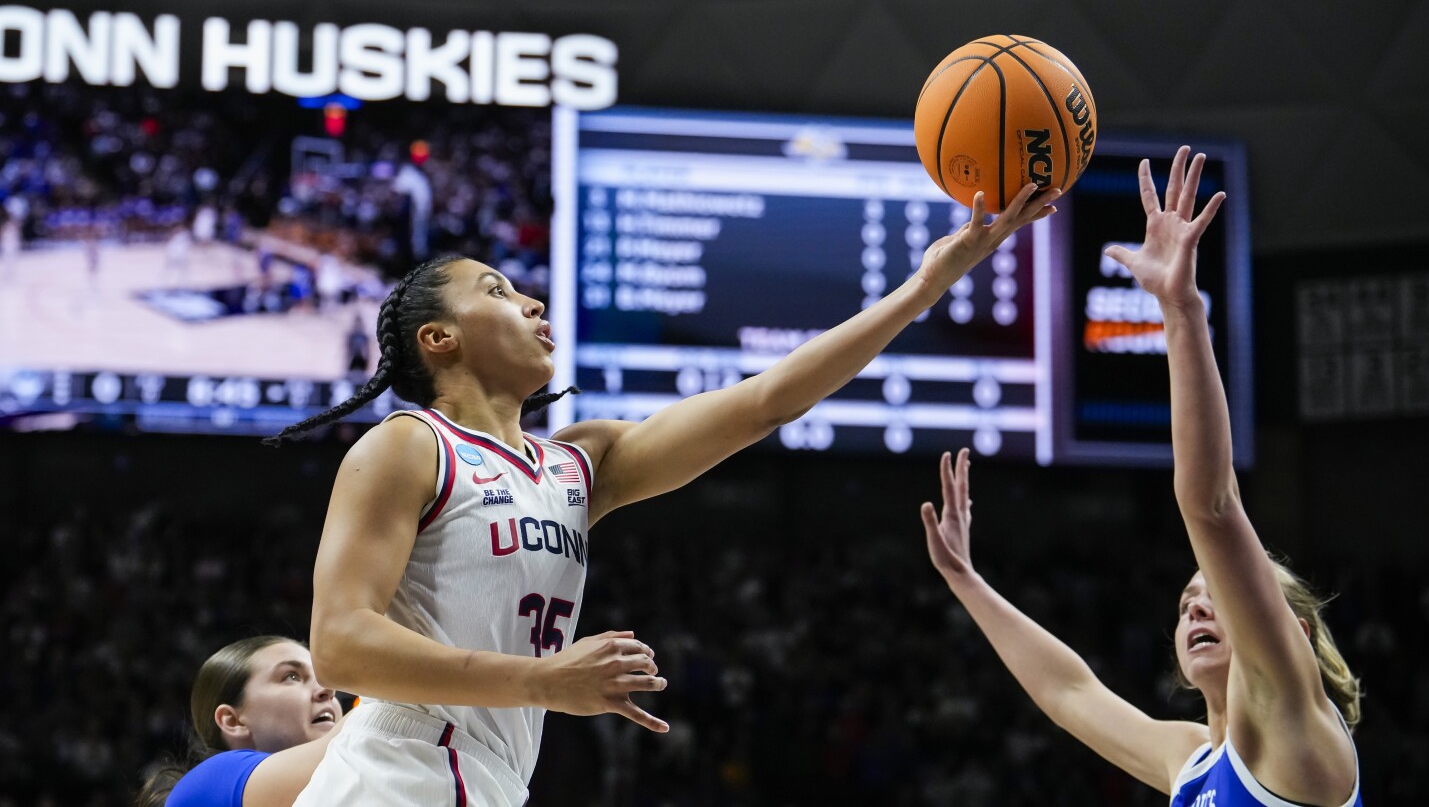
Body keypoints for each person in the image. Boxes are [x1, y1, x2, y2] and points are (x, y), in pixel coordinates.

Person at [262, 183, 1062, 805]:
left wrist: (924, 287)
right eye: (499, 291)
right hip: (400, 768)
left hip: (488, 776)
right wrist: (544, 682)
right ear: (438, 340)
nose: (533, 301)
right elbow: (339, 645)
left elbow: (767, 402)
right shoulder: (407, 444)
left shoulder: (579, 465)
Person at [920, 148, 1362, 806]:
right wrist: (966, 580)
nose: (1196, 607)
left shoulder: (1300, 732)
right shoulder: (1189, 758)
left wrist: (1181, 311)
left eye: (1214, 589)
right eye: (1187, 603)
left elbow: (1211, 509)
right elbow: (1070, 693)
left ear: (1293, 634)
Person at [135, 636, 347, 807]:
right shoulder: (208, 784)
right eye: (291, 676)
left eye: (322, 678)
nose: (327, 689)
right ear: (233, 721)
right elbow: (360, 736)